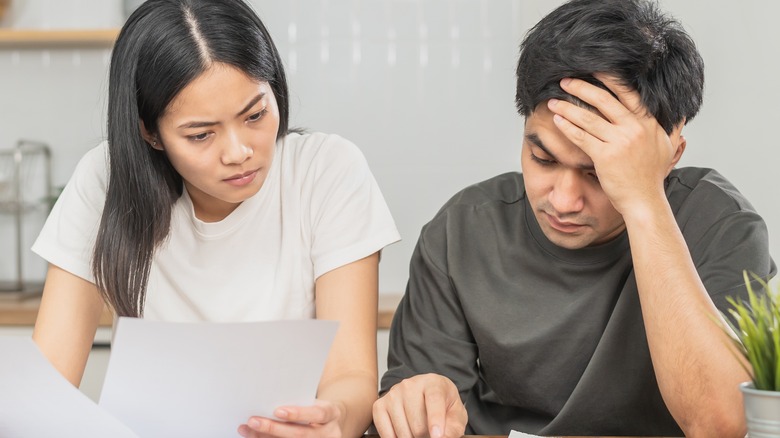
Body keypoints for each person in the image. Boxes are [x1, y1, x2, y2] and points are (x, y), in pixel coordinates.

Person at [373, 0, 775, 437]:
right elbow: (420, 411)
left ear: (670, 154)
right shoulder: (462, 230)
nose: (563, 201)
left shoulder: (718, 224)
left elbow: (724, 425)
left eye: (599, 173)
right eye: (542, 158)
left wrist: (644, 202)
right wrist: (417, 404)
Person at [30, 1, 400, 437]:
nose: (238, 152)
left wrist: (334, 419)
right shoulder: (106, 179)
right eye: (201, 134)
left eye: (255, 115)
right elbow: (46, 386)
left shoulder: (326, 170)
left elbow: (351, 376)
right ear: (149, 132)